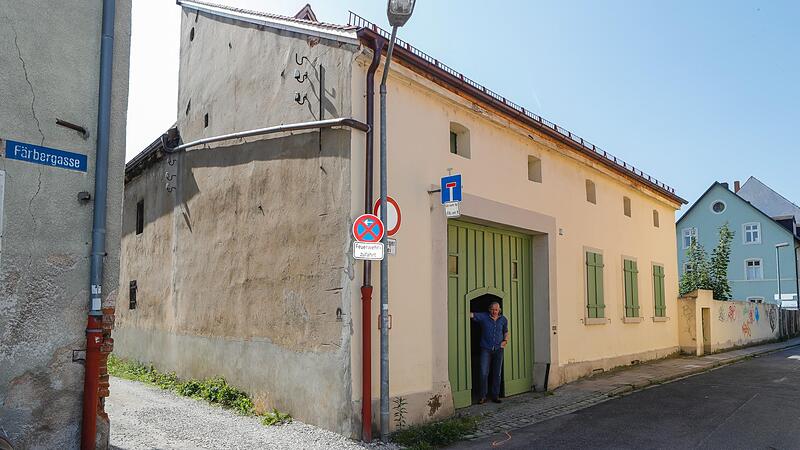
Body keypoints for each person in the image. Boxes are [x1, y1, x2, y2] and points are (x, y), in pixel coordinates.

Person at [470, 301, 509, 404]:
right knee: (483, 372)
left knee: (497, 373)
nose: (494, 311)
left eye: (496, 309)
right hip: (485, 348)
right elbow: (471, 315)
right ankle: (483, 396)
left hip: (498, 349)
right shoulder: (484, 317)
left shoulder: (503, 319)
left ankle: (495, 395)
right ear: (489, 309)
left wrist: (505, 341)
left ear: (499, 310)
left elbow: (505, 331)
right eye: (492, 309)